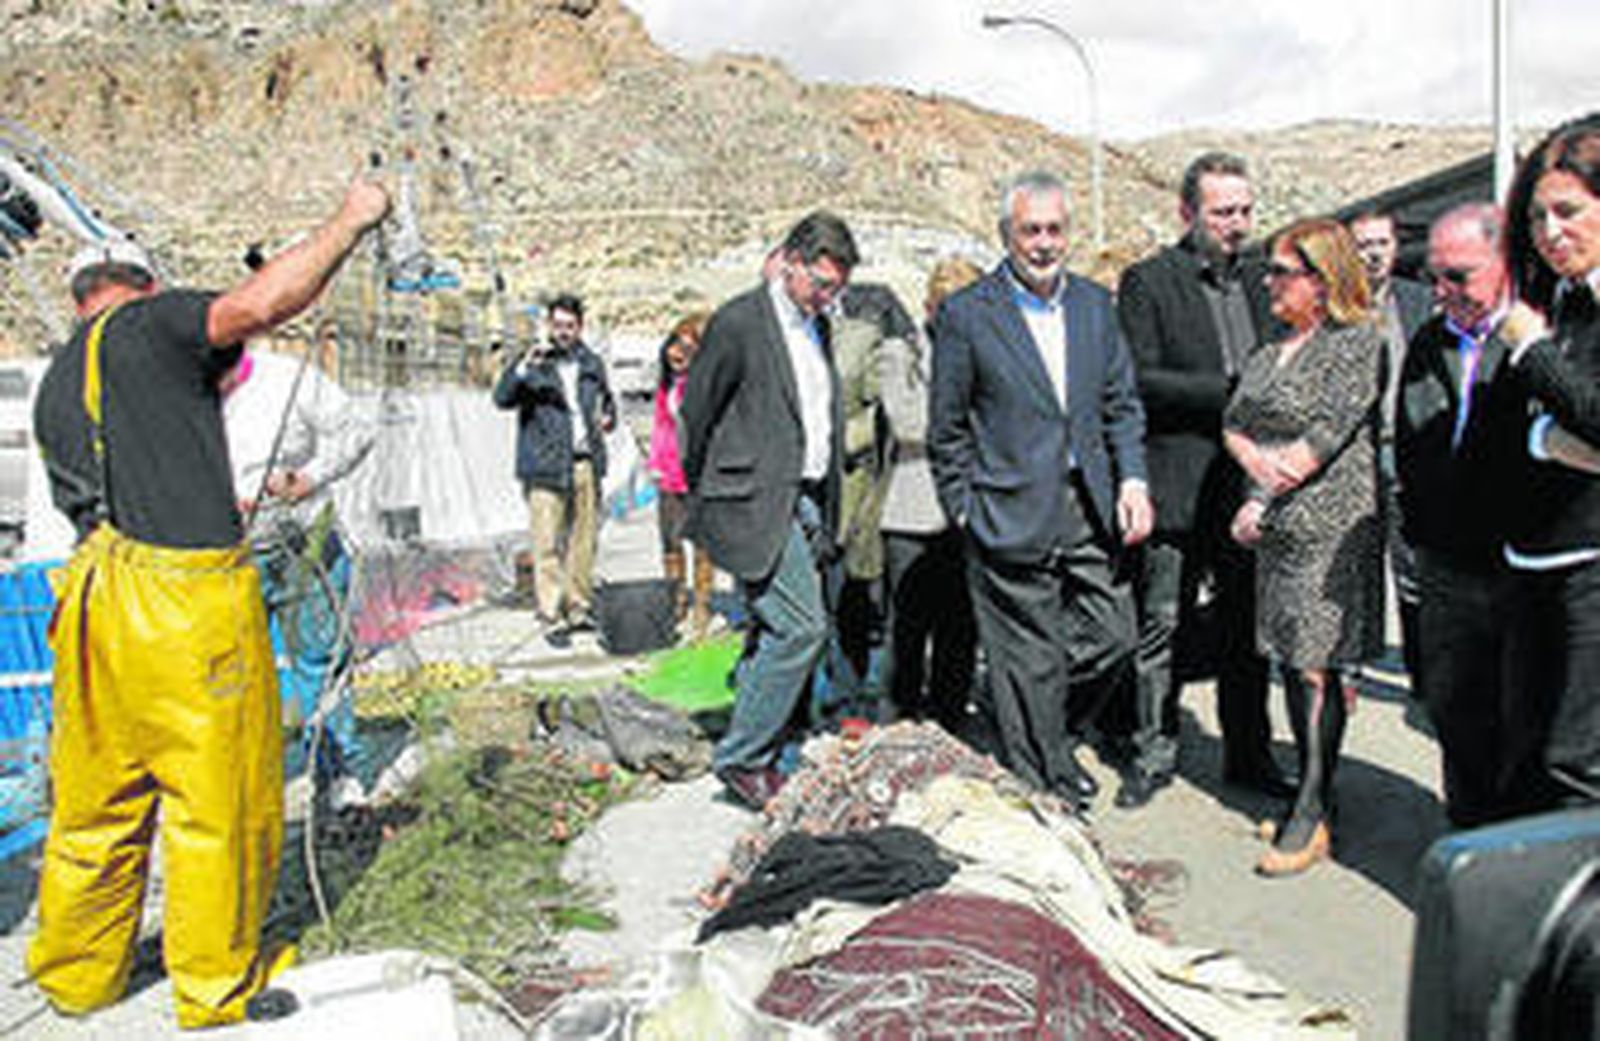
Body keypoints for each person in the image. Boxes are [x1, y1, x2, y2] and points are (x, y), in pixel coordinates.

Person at [27, 174, 391, 1028]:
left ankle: (77, 972)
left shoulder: (56, 383)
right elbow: (263, 303)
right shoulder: (149, 325)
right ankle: (215, 981)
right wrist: (349, 220)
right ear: (144, 286)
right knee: (216, 799)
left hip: (91, 603)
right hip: (180, 600)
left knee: (97, 802)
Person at [929, 170, 1151, 810]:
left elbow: (1120, 403)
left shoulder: (1093, 306)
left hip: (1088, 503)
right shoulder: (968, 315)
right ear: (1006, 234)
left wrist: (1131, 476)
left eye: (1055, 229)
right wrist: (964, 507)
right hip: (1005, 508)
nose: (1045, 243)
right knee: (1026, 653)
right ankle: (1042, 776)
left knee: (1114, 636)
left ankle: (1034, 721)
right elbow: (947, 427)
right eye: (1031, 230)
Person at [1115, 151, 1292, 809]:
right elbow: (1139, 378)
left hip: (1247, 492)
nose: (1237, 223)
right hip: (1178, 486)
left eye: (1245, 210)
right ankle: (1153, 755)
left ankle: (1249, 756)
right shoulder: (1148, 281)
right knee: (1162, 629)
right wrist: (1230, 393)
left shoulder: (1262, 279)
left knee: (1249, 635)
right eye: (1223, 212)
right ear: (1187, 212)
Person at [1224, 217, 1384, 876]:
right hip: (1280, 532)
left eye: (1282, 272)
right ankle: (1312, 790)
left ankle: (1312, 810)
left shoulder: (1356, 342)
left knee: (1320, 666)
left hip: (1332, 525)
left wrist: (1262, 490)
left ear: (1321, 279)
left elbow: (1325, 433)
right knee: (1292, 660)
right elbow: (1233, 422)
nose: (1269, 283)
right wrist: (1258, 485)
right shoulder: (1269, 351)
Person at [681, 211, 857, 810]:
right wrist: (711, 494)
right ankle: (743, 758)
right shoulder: (739, 322)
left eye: (838, 288)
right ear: (789, 262)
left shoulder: (817, 327)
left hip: (805, 496)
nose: (828, 297)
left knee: (771, 631)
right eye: (821, 284)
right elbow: (697, 415)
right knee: (802, 626)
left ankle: (759, 744)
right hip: (754, 501)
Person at [1394, 203, 1522, 827]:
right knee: (1458, 716)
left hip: (1523, 570)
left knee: (1529, 726)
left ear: (1505, 265)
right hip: (1448, 569)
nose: (1440, 292)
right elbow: (1411, 436)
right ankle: (1470, 843)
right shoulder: (1430, 339)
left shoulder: (1542, 340)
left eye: (1459, 277)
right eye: (1434, 276)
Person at [1496, 112, 1600, 813]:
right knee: (1529, 751)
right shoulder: (1559, 298)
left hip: (1592, 562)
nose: (1550, 231)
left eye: (1568, 211)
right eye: (1537, 216)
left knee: (1579, 763)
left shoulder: (1543, 322)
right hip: (1534, 556)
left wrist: (1533, 353)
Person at [221, 336, 377, 796]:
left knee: (321, 658)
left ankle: (338, 777)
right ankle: (241, 785)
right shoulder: (178, 391)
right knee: (230, 671)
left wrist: (306, 478)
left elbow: (357, 430)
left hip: (302, 546)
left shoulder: (287, 379)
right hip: (225, 556)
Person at [878, 257, 981, 732]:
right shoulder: (901, 353)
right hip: (911, 509)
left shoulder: (987, 348)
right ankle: (898, 715)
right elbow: (906, 422)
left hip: (967, 508)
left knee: (959, 624)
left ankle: (949, 717)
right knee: (908, 625)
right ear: (930, 305)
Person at [492, 293, 617, 633]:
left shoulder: (591, 363)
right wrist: (522, 368)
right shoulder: (534, 363)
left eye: (570, 326)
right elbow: (502, 398)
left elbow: (607, 404)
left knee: (583, 539)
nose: (563, 332)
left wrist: (608, 418)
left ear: (580, 327)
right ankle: (550, 611)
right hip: (544, 464)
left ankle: (578, 604)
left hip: (584, 463)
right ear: (549, 325)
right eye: (558, 325)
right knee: (546, 541)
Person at [1348, 208, 1433, 685]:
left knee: (1411, 565)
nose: (1373, 253)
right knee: (1358, 560)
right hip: (1355, 451)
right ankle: (1356, 658)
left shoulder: (1419, 300)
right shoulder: (1334, 308)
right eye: (1362, 245)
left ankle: (1423, 670)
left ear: (1395, 247)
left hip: (1407, 449)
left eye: (1380, 243)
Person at [646, 312, 714, 637]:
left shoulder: (704, 387)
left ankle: (701, 607)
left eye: (687, 349)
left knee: (702, 545)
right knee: (670, 542)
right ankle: (676, 602)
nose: (677, 353)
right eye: (674, 344)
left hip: (698, 476)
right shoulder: (666, 385)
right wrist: (655, 466)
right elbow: (661, 427)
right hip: (668, 474)